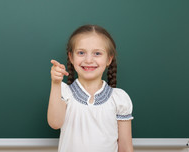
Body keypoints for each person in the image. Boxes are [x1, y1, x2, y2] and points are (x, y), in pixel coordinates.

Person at [47, 24, 134, 152]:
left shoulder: (119, 98)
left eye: (97, 53)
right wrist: (55, 83)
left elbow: (126, 148)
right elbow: (55, 123)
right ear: (71, 57)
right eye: (81, 53)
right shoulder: (63, 92)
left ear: (109, 59)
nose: (88, 60)